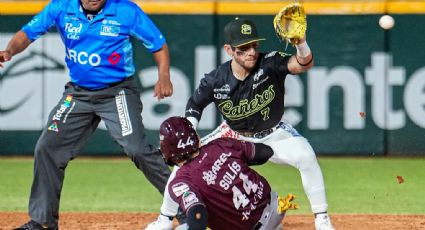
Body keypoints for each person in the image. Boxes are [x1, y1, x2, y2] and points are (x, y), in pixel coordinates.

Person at [149, 18, 335, 230]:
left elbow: (303, 64)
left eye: (254, 45)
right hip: (233, 134)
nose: (251, 51)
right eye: (243, 47)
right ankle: (164, 220)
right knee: (182, 167)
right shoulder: (216, 79)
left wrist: (300, 42)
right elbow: (195, 104)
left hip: (275, 133)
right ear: (229, 50)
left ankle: (322, 220)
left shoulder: (270, 62)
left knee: (306, 156)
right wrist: (190, 130)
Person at [0, 0, 173, 229]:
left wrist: (164, 77)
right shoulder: (60, 7)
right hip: (78, 94)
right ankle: (42, 222)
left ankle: (184, 202)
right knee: (47, 147)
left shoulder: (125, 10)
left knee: (137, 149)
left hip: (117, 91)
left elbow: (158, 45)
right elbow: (28, 33)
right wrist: (9, 51)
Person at [158, 116, 298, 230]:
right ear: (196, 138)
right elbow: (264, 152)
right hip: (276, 209)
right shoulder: (220, 144)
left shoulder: (181, 180)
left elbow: (198, 215)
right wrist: (229, 164)